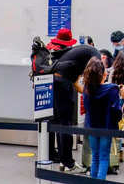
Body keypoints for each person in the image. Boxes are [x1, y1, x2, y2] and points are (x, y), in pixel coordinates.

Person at [53, 43, 101, 173]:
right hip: (63, 84)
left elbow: (77, 82)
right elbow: (93, 80)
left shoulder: (85, 54)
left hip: (56, 81)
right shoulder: (96, 59)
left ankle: (64, 161)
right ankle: (70, 164)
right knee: (66, 124)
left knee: (61, 124)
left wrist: (86, 93)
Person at [82, 57, 122, 179]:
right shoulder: (112, 89)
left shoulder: (86, 89)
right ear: (102, 74)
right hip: (106, 128)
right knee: (104, 157)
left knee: (95, 157)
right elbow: (116, 111)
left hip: (92, 127)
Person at [46, 29, 77, 164]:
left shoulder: (48, 51)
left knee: (50, 123)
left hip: (48, 90)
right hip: (64, 91)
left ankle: (50, 154)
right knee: (65, 124)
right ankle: (66, 159)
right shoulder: (69, 54)